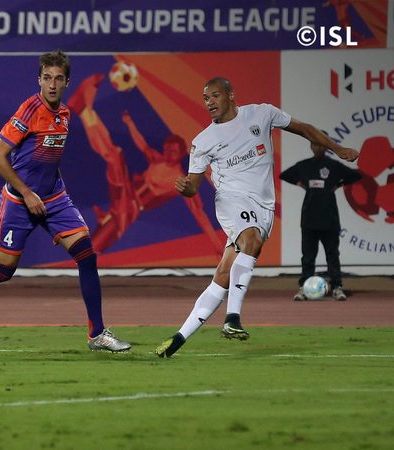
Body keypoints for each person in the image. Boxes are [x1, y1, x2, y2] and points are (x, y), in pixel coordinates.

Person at [155, 77, 359, 358]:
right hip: (230, 200)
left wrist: (338, 149)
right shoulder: (203, 141)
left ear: (230, 95)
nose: (209, 102)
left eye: (215, 95)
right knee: (252, 240)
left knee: (224, 274)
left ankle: (177, 339)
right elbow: (193, 187)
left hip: (263, 206)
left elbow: (305, 129)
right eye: (205, 98)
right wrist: (186, 188)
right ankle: (232, 319)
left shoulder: (261, 114)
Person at [0, 50, 130, 352]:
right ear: (39, 80)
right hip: (19, 201)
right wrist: (28, 193)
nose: (52, 84)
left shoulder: (65, 114)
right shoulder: (29, 111)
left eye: (58, 78)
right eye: (47, 78)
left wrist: (54, 192)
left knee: (86, 255)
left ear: (67, 82)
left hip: (54, 199)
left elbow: (49, 157)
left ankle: (97, 334)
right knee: (4, 269)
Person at [67, 73, 224, 255]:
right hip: (125, 191)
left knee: (95, 246)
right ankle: (85, 112)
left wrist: (216, 244)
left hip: (129, 209)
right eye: (166, 150)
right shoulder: (157, 160)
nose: (168, 154)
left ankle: (85, 112)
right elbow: (142, 144)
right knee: (115, 155)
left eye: (173, 152)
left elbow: (200, 214)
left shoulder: (181, 181)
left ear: (182, 153)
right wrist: (129, 123)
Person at [280, 136, 361, 301]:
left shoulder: (334, 166)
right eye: (315, 144)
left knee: (332, 255)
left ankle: (337, 287)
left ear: (326, 147)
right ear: (311, 146)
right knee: (308, 256)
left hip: (330, 219)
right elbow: (285, 175)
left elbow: (355, 175)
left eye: (321, 144)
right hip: (309, 219)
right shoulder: (303, 166)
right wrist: (300, 183)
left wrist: (339, 184)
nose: (317, 147)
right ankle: (304, 288)